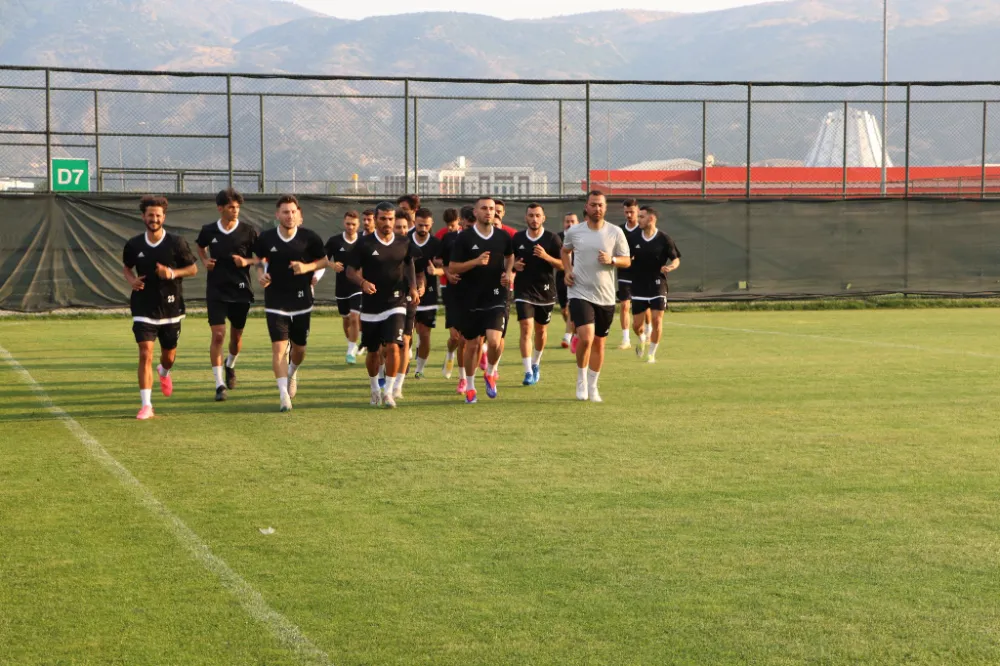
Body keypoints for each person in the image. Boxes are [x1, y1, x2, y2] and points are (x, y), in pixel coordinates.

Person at [122, 195, 198, 420]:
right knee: (145, 352)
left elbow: (193, 269)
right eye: (150, 215)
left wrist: (172, 273)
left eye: (158, 215)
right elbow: (127, 268)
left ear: (164, 217)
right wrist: (131, 281)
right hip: (143, 307)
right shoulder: (134, 244)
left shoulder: (176, 243)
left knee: (169, 356)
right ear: (143, 217)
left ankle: (164, 372)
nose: (154, 219)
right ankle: (147, 405)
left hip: (171, 310)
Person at [253, 195, 328, 412]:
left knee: (299, 349)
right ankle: (283, 394)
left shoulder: (309, 238)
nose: (290, 215)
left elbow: (324, 261)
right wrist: (261, 275)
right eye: (285, 212)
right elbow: (259, 260)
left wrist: (306, 268)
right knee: (278, 348)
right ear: (277, 215)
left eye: (293, 211)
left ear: (299, 214)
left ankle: (292, 372)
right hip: (276, 300)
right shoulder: (267, 238)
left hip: (302, 300)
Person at [346, 202, 420, 408]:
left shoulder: (404, 242)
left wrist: (413, 287)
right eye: (383, 219)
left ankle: (389, 392)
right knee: (373, 352)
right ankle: (374, 388)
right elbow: (350, 270)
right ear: (376, 220)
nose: (387, 223)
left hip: (396, 302)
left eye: (390, 219)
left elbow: (409, 263)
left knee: (394, 346)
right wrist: (362, 282)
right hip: (371, 305)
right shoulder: (364, 244)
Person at [561, 190, 631, 402]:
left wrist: (613, 260)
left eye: (600, 205)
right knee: (586, 337)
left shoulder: (615, 232)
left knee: (599, 344)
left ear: (605, 207)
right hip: (580, 292)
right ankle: (581, 379)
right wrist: (566, 271)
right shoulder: (574, 232)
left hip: (606, 296)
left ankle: (593, 386)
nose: (597, 208)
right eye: (593, 205)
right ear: (586, 207)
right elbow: (565, 252)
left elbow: (626, 260)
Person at [449, 196, 514, 404]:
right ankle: (470, 385)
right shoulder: (464, 238)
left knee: (494, 341)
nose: (489, 212)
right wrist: (476, 262)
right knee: (473, 344)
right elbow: (453, 267)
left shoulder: (502, 236)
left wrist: (508, 272)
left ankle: (491, 372)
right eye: (484, 208)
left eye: (492, 209)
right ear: (475, 213)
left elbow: (510, 256)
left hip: (495, 296)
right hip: (470, 298)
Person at [195, 188, 257, 402]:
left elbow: (262, 258)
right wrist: (204, 261)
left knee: (236, 337)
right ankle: (219, 384)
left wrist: (246, 261)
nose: (235, 210)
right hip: (216, 290)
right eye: (231, 207)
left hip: (241, 290)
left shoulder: (248, 231)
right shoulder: (208, 230)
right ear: (220, 208)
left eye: (238, 207)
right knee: (219, 335)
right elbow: (200, 246)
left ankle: (230, 365)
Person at [511, 203, 563, 386]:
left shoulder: (552, 239)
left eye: (537, 215)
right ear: (526, 218)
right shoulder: (517, 238)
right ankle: (526, 371)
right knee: (526, 328)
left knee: (541, 331)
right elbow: (507, 261)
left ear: (543, 218)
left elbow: (564, 265)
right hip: (523, 290)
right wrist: (512, 266)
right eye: (531, 215)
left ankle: (535, 363)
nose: (534, 219)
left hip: (546, 291)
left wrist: (547, 257)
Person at [630, 206, 681, 363]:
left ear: (651, 219)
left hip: (658, 283)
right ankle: (642, 337)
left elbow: (676, 259)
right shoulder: (634, 238)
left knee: (657, 320)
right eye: (638, 216)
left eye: (642, 217)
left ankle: (651, 354)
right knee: (636, 325)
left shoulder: (664, 239)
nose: (638, 220)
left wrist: (671, 267)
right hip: (638, 284)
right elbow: (626, 256)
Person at [441, 206, 474, 388]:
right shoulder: (450, 238)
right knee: (456, 338)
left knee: (468, 340)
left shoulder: (484, 240)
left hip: (475, 293)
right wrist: (448, 273)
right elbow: (442, 262)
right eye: (466, 223)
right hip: (454, 293)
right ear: (461, 221)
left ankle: (464, 379)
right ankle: (450, 354)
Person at [325, 211, 363, 364]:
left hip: (358, 285)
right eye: (348, 223)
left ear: (358, 225)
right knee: (346, 319)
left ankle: (351, 351)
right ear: (343, 223)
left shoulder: (364, 241)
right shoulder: (334, 241)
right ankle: (352, 344)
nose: (351, 226)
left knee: (355, 317)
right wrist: (331, 264)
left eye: (354, 224)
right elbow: (322, 259)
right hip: (341, 287)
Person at [411, 208, 443, 380]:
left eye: (426, 225)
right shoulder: (405, 239)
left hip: (429, 293)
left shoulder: (436, 244)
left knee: (424, 334)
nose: (423, 228)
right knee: (406, 334)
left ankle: (420, 369)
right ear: (414, 222)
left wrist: (436, 269)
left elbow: (446, 267)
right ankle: (403, 358)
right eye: (420, 224)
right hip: (406, 292)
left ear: (431, 225)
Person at [617, 199, 643, 350]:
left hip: (641, 274)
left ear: (638, 211)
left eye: (631, 211)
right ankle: (626, 339)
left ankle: (647, 329)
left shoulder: (643, 229)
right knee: (625, 305)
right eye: (626, 211)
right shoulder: (620, 231)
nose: (629, 214)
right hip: (625, 273)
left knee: (642, 307)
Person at [557, 212, 579, 350]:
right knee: (564, 310)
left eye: (572, 221)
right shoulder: (558, 238)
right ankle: (575, 333)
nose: (569, 224)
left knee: (572, 306)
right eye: (567, 221)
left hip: (578, 277)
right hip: (561, 276)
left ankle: (567, 335)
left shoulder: (582, 236)